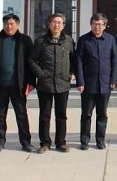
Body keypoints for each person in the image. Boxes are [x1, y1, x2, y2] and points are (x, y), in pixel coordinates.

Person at [28, 13, 75, 153]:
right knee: (44, 115)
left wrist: (72, 72)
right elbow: (31, 59)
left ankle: (61, 142)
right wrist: (40, 74)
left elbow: (73, 59)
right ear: (49, 24)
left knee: (61, 115)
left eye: (59, 22)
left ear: (63, 25)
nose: (56, 25)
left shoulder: (68, 41)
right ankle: (45, 143)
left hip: (63, 83)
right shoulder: (41, 41)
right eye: (54, 22)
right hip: (45, 84)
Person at [0, 13, 36, 153]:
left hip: (19, 85)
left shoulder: (25, 40)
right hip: (0, 84)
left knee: (21, 114)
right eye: (6, 24)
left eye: (12, 24)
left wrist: (31, 82)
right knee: (0, 114)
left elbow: (30, 62)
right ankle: (0, 142)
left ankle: (26, 142)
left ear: (17, 24)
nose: (9, 26)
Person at [76, 13, 117, 150]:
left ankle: (100, 139)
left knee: (102, 114)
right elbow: (79, 61)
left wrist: (113, 79)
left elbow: (114, 60)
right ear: (91, 25)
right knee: (86, 114)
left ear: (105, 26)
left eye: (100, 24)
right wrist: (80, 82)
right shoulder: (84, 40)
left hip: (105, 83)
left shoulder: (110, 39)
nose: (97, 27)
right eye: (94, 24)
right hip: (88, 84)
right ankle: (84, 140)